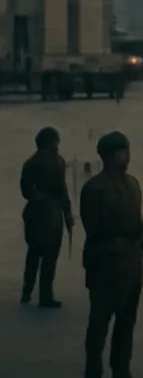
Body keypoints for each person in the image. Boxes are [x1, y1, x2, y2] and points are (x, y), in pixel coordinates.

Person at [79, 131, 143, 378]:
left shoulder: (133, 184)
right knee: (99, 323)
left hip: (131, 264)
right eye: (122, 151)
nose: (127, 155)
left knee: (126, 323)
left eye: (127, 150)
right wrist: (122, 242)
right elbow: (94, 229)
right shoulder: (94, 189)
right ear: (108, 156)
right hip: (105, 264)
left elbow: (138, 221)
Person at [20, 126, 74, 307]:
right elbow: (62, 191)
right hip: (49, 216)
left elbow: (26, 189)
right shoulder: (55, 162)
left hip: (40, 215)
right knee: (47, 257)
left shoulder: (33, 162)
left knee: (35, 254)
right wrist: (67, 212)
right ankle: (43, 295)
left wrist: (66, 212)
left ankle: (28, 291)